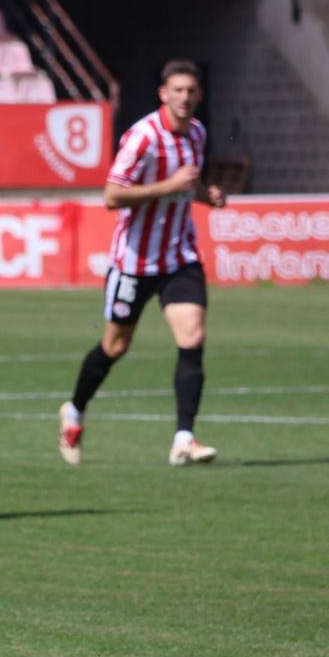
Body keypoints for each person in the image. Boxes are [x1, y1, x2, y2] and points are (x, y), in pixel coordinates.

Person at [58, 59, 227, 469]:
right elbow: (111, 196)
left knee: (193, 336)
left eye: (191, 91)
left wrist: (207, 195)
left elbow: (189, 186)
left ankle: (183, 439)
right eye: (178, 90)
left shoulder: (198, 133)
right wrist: (167, 187)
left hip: (179, 255)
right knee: (115, 346)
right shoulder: (142, 138)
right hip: (133, 261)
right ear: (163, 94)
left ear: (199, 95)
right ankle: (75, 411)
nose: (185, 97)